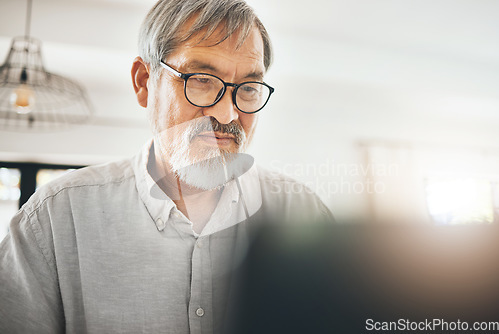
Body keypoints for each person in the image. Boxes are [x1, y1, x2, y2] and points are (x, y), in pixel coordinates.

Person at [0, 0, 332, 333]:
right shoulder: (55, 220)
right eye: (202, 80)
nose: (228, 115)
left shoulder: (302, 214)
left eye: (247, 88)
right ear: (144, 81)